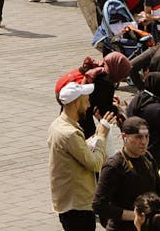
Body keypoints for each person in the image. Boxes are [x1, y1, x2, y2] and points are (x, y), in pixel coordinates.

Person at [47, 79, 114, 231]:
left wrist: (96, 136)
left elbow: (78, 151)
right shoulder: (70, 134)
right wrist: (102, 136)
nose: (89, 105)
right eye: (86, 101)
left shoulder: (57, 125)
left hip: (68, 201)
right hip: (77, 206)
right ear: (76, 103)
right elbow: (96, 164)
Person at [93, 116, 160, 230]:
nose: (144, 142)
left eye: (147, 136)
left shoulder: (147, 157)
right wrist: (135, 216)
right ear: (124, 137)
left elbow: (159, 188)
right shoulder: (114, 165)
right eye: (139, 137)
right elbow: (99, 205)